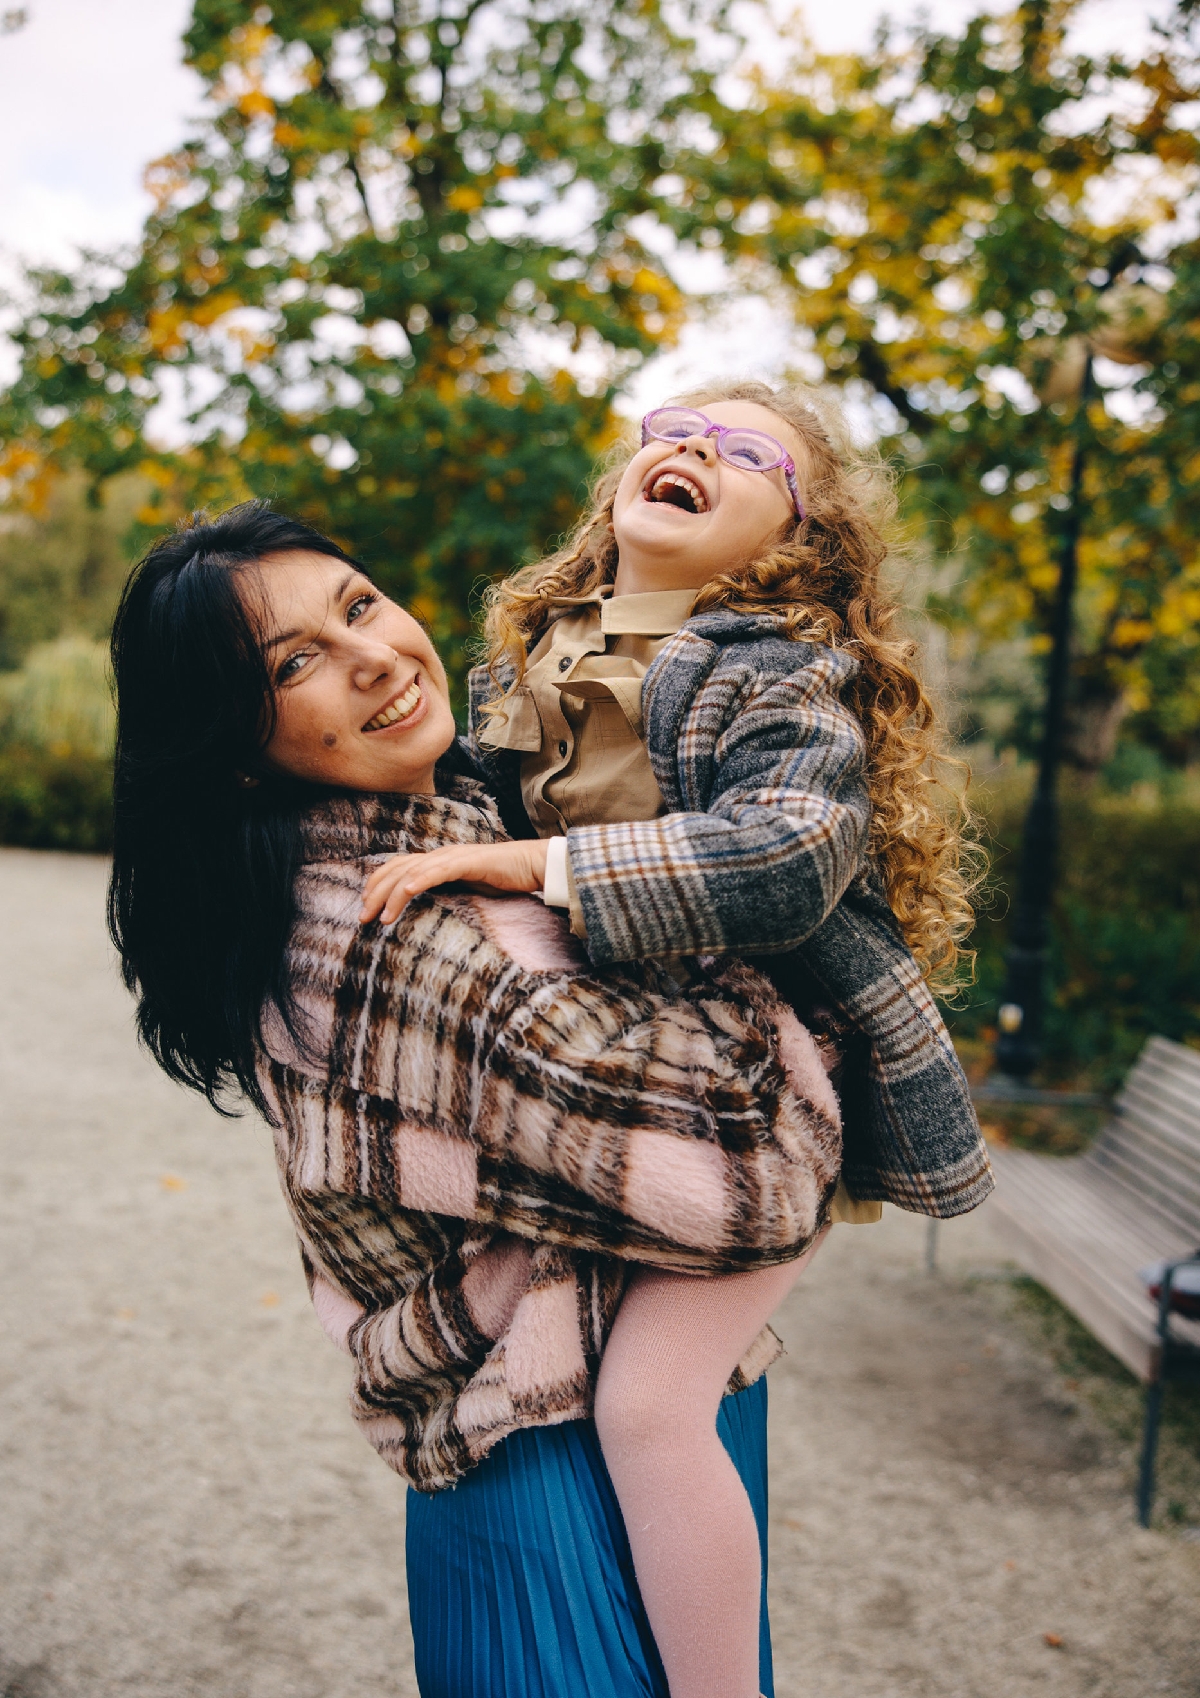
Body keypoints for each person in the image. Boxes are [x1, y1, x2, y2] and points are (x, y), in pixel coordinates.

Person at [107, 503, 856, 1698]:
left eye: (359, 604)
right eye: (294, 665)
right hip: (550, 1469)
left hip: (598, 1433)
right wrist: (801, 995)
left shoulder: (469, 822)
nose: (373, 656)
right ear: (235, 747)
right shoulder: (384, 933)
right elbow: (750, 1187)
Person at [359, 380, 995, 1698]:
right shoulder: (532, 656)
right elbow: (450, 813)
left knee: (650, 1406)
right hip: (616, 1075)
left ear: (798, 539)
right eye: (671, 430)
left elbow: (786, 859)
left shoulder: (781, 667)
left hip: (773, 1088)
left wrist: (537, 865)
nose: (696, 445)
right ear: (623, 484)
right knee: (535, 1339)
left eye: (747, 451)